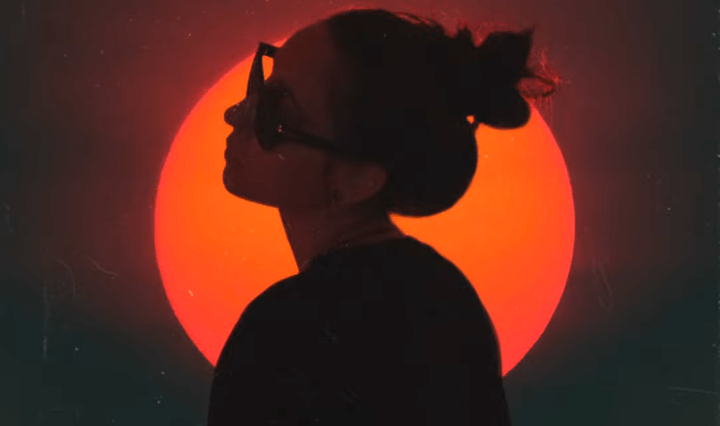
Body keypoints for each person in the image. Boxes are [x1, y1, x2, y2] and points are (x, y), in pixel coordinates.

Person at [209, 7, 559, 426]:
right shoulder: (446, 299)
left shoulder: (282, 331)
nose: (235, 114)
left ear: (358, 179)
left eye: (275, 112)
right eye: (259, 82)